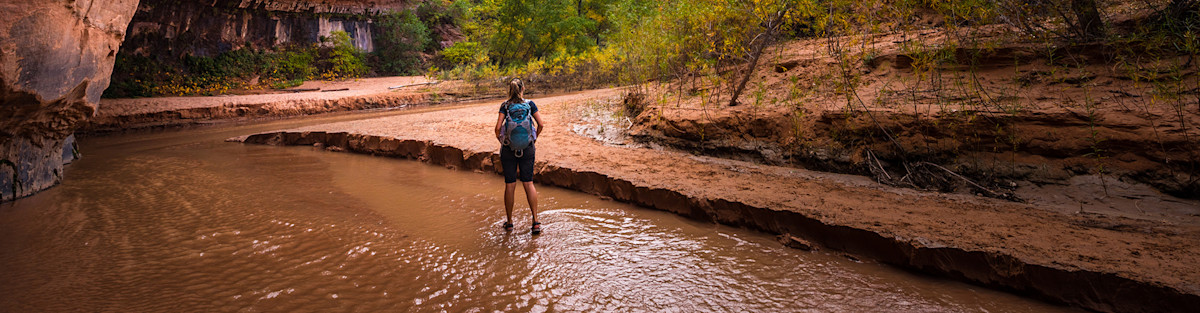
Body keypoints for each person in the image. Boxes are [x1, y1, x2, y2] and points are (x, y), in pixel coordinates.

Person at [495, 78, 545, 234]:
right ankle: (535, 221)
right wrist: (533, 139)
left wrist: (503, 141)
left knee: (510, 185)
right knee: (528, 183)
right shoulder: (530, 104)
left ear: (510, 90)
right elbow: (541, 124)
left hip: (508, 149)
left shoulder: (505, 106)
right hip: (527, 148)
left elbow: (497, 128)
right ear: (523, 88)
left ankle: (510, 223)